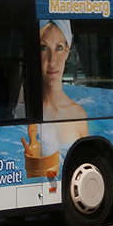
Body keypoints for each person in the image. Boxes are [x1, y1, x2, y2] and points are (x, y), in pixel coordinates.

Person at [38, 19, 88, 151]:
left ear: (67, 50)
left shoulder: (78, 114)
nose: (52, 61)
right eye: (43, 48)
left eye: (58, 48)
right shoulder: (22, 111)